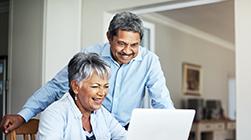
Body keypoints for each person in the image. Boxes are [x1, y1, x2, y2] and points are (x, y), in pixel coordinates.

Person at [1, 11, 174, 132]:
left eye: (134, 45)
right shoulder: (91, 55)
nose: (127, 51)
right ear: (109, 37)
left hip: (122, 131)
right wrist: (23, 115)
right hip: (88, 130)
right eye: (121, 43)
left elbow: (162, 102)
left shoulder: (150, 61)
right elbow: (56, 87)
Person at [28, 52, 127, 140]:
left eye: (105, 86)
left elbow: (125, 139)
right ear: (76, 86)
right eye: (95, 86)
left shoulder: (101, 113)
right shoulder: (54, 113)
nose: (102, 93)